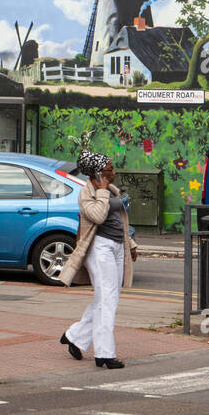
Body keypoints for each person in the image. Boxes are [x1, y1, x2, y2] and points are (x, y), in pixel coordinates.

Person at [54, 149, 138, 369]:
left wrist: (130, 244)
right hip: (99, 248)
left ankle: (74, 336)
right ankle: (104, 354)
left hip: (117, 247)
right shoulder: (87, 193)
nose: (113, 171)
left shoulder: (111, 190)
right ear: (99, 173)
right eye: (109, 169)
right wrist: (101, 192)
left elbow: (119, 222)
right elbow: (99, 217)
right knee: (107, 300)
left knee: (107, 297)